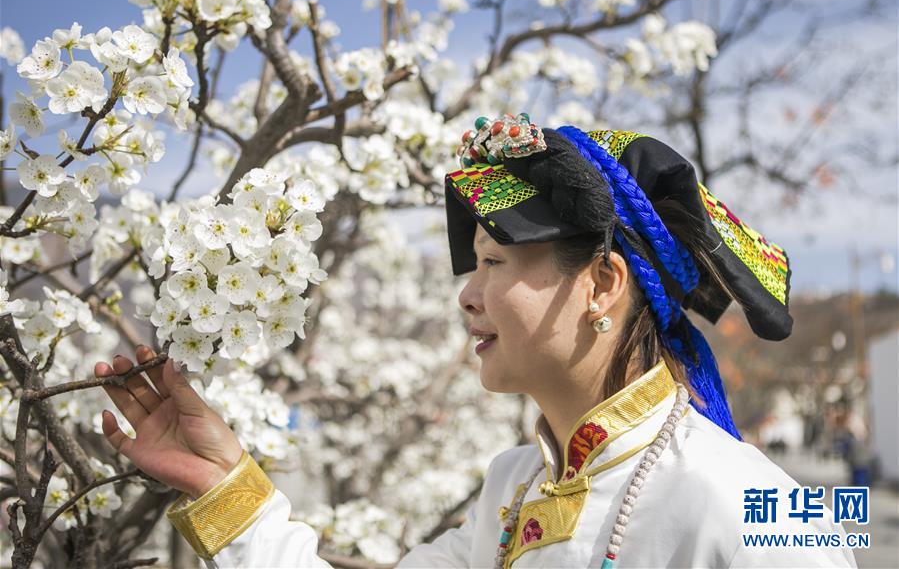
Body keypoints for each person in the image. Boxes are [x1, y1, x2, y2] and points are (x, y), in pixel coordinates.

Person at [94, 115, 857, 568]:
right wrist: (228, 485)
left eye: (494, 263)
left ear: (600, 285)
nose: (467, 293)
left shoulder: (749, 500)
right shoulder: (514, 487)